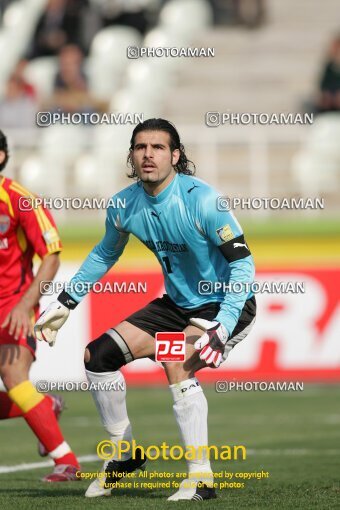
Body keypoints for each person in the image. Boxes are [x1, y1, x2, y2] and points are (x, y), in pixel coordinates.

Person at [34, 118, 256, 499]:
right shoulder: (124, 204)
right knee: (97, 356)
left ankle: (201, 479)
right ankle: (123, 451)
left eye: (157, 148)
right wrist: (67, 300)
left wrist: (224, 323)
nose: (148, 154)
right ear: (132, 156)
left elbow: (243, 265)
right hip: (176, 305)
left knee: (176, 359)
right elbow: (106, 252)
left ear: (175, 155)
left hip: (224, 305)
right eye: (140, 148)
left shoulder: (203, 200)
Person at [0, 131, 80, 482]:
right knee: (22, 391)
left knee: (14, 378)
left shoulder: (20, 200)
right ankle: (44, 406)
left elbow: (52, 255)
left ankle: (67, 461)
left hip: (13, 307)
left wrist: (25, 305)